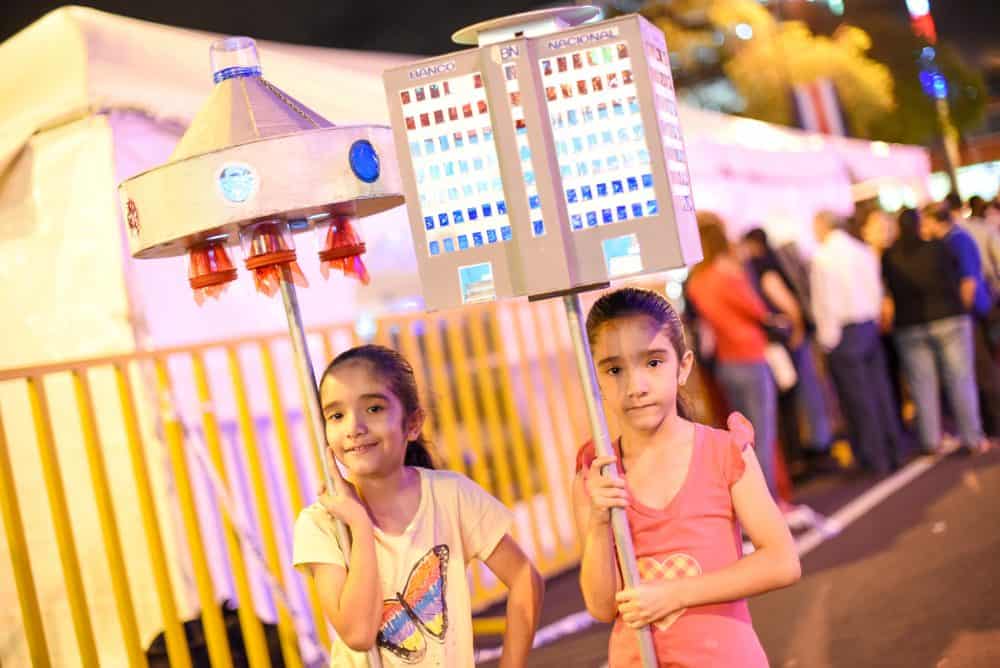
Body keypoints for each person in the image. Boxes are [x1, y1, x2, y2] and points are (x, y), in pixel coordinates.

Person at [573, 287, 800, 667]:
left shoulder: (724, 452)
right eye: (614, 369)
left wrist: (676, 593)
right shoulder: (596, 472)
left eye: (654, 363)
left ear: (684, 366)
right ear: (595, 377)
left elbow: (782, 561)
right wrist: (598, 522)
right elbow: (600, 605)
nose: (636, 386)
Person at [293, 345, 544, 667]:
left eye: (373, 409)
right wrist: (358, 524)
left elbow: (525, 577)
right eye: (336, 415)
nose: (354, 427)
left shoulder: (450, 495)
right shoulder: (320, 524)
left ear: (412, 424)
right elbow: (358, 633)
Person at [686, 213, 780, 496]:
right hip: (750, 356)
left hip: (727, 363)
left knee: (742, 442)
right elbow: (758, 310)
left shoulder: (696, 283)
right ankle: (769, 505)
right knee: (761, 437)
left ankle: (751, 506)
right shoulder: (727, 275)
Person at [882, 208, 987, 455]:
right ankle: (972, 438)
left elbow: (887, 295)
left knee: (922, 384)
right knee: (960, 379)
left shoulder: (889, 256)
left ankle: (931, 441)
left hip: (909, 326)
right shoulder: (938, 247)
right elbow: (960, 279)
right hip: (949, 318)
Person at [810, 210, 905, 473]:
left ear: (823, 226)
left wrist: (827, 340)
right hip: (868, 326)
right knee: (881, 391)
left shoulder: (823, 257)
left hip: (844, 332)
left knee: (858, 400)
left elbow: (824, 303)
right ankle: (894, 449)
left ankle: (874, 458)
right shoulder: (862, 251)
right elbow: (876, 290)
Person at [743, 228, 834, 474]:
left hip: (790, 341)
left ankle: (818, 446)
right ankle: (818, 444)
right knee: (809, 391)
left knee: (806, 393)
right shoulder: (773, 261)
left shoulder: (763, 268)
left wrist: (796, 332)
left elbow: (786, 302)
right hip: (793, 338)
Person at [923, 206, 1000, 441]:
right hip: (972, 312)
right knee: (978, 369)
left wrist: (961, 311)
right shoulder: (953, 239)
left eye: (926, 223)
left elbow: (968, 281)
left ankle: (994, 424)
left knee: (982, 368)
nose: (923, 229)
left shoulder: (957, 240)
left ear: (937, 222)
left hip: (973, 314)